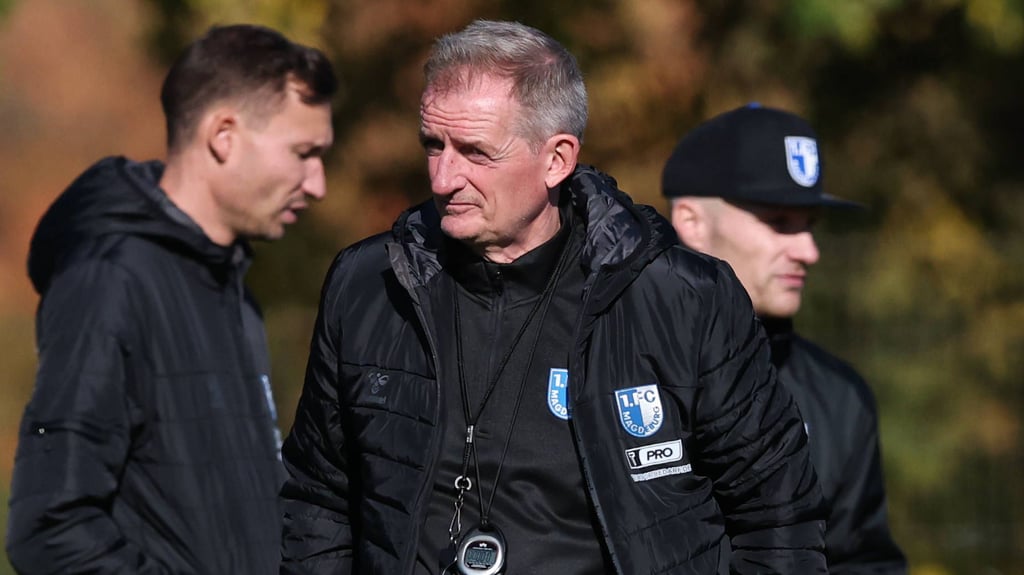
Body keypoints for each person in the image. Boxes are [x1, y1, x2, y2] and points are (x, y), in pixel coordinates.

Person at [279, 19, 826, 575]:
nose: (444, 177)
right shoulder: (369, 282)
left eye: (475, 152)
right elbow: (318, 498)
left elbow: (778, 517)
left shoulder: (682, 298)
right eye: (433, 145)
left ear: (557, 159)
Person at [6, 24, 336, 574]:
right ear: (224, 135)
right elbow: (50, 529)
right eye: (304, 152)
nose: (318, 183)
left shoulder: (230, 290)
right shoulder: (109, 282)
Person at [662, 103, 907, 574]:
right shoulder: (603, 365)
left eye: (810, 225)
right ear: (692, 221)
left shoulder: (840, 397)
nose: (808, 251)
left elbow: (861, 562)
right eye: (779, 222)